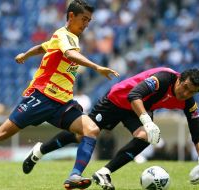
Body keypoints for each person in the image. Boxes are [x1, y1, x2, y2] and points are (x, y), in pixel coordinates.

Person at [0, 1, 119, 189]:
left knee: (91, 130)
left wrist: (25, 55)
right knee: (1, 134)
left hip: (62, 103)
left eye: (89, 20)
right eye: (84, 19)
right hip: (42, 96)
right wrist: (96, 66)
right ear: (71, 16)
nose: (86, 24)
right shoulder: (63, 35)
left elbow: (42, 47)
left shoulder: (69, 38)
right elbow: (70, 55)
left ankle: (74, 176)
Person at [22, 67, 199, 190]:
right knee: (82, 135)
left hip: (138, 109)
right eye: (184, 88)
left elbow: (196, 132)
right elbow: (134, 94)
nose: (185, 94)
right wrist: (147, 120)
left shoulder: (188, 102)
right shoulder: (163, 78)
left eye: (191, 92)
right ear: (179, 79)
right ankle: (40, 150)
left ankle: (104, 173)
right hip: (117, 100)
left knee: (146, 136)